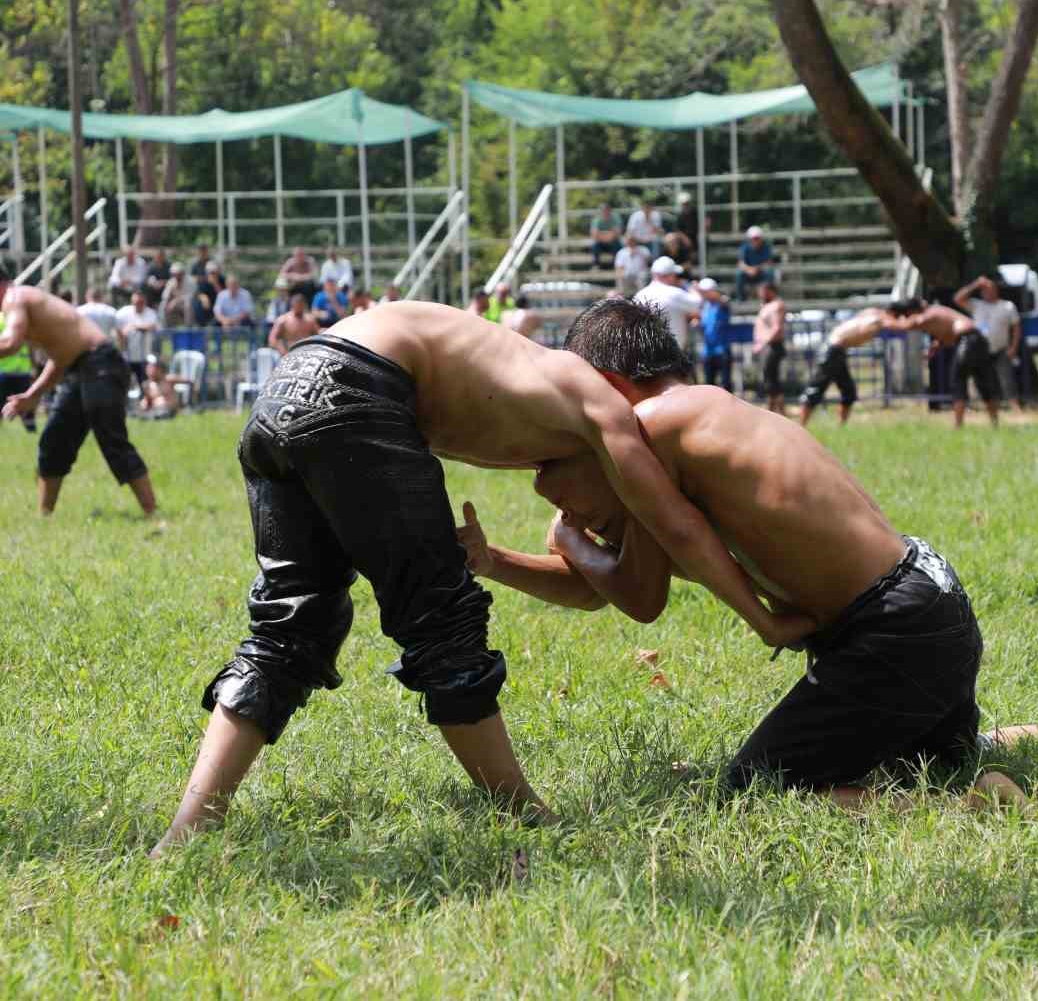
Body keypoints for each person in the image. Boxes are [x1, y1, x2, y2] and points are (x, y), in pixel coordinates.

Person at [149, 300, 813, 857]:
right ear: (616, 379)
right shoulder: (596, 402)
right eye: (654, 408)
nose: (653, 431)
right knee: (442, 620)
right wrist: (763, 618)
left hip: (284, 390)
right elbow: (678, 528)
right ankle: (524, 813)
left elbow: (621, 588)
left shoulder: (523, 378)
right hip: (356, 385)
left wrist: (499, 559)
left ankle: (187, 830)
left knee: (293, 625)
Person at [456, 297, 1038, 808]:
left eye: (575, 403)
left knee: (758, 790)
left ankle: (964, 807)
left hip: (890, 630)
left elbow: (638, 597)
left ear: (608, 388)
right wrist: (494, 562)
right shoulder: (709, 419)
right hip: (929, 604)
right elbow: (601, 585)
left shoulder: (655, 430)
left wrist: (567, 538)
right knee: (935, 754)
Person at [0, 259, 157, 518]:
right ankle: (44, 518)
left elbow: (10, 343)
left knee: (111, 438)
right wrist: (32, 395)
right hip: (81, 368)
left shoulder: (16, 298)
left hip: (101, 364)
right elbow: (60, 358)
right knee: (54, 441)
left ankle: (152, 513)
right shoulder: (27, 305)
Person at [799, 303, 919, 426]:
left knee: (848, 391)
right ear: (895, 314)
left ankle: (841, 426)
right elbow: (902, 326)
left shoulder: (872, 311)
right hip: (833, 351)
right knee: (815, 389)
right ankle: (801, 425)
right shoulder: (882, 318)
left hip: (836, 350)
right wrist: (917, 317)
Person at [908, 299, 1000, 427]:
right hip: (979, 340)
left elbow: (918, 322)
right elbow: (948, 334)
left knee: (959, 382)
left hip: (967, 341)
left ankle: (958, 425)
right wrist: (938, 343)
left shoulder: (930, 312)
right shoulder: (940, 311)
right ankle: (995, 423)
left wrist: (892, 323)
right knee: (983, 383)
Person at [954, 274, 1022, 406]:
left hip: (1000, 348)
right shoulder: (976, 305)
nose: (986, 292)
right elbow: (957, 299)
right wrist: (975, 284)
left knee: (1007, 378)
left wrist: (1013, 347)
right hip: (979, 350)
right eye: (983, 289)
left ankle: (1014, 405)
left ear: (996, 290)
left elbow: (1016, 328)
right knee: (980, 379)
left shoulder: (1008, 306)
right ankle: (984, 404)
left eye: (989, 289)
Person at [0, 310, 38, 433]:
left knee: (25, 408)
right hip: (6, 372)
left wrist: (33, 367)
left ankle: (32, 434)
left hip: (16, 372)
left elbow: (31, 346)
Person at [633, 256, 700, 354]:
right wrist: (692, 288)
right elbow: (699, 304)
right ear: (670, 275)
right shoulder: (676, 293)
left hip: (646, 353)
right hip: (673, 353)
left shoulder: (639, 295)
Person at [752, 281, 788, 414]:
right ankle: (772, 411)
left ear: (770, 291)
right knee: (770, 379)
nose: (760, 294)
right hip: (767, 347)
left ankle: (780, 412)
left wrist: (762, 344)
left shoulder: (776, 305)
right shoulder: (766, 305)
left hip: (772, 347)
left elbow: (776, 328)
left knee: (772, 381)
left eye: (762, 291)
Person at [696, 277, 734, 390]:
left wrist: (714, 294)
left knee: (726, 384)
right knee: (709, 385)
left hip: (722, 350)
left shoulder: (721, 304)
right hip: (708, 352)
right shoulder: (705, 306)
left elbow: (725, 301)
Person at [116, 289, 160, 385]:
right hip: (127, 356)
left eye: (141, 303)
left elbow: (153, 326)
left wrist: (135, 327)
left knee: (144, 384)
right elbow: (117, 329)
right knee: (124, 384)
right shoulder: (123, 313)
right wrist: (122, 334)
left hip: (144, 357)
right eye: (136, 303)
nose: (138, 305)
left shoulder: (150, 313)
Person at [268, 290, 320, 354]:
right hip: (289, 352)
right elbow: (272, 339)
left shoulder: (310, 320)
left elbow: (319, 337)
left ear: (304, 305)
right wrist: (282, 349)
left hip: (307, 353)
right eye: (297, 305)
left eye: (301, 305)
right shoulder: (283, 320)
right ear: (292, 304)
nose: (299, 307)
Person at [735, 226, 776, 301]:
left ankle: (768, 297)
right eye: (753, 239)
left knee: (770, 273)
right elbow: (741, 263)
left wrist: (756, 269)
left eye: (757, 238)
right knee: (739, 274)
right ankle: (741, 298)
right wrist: (749, 269)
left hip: (761, 272)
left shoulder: (766, 247)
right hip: (748, 273)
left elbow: (769, 262)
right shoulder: (745, 247)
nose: (755, 241)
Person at [590, 202, 621, 269]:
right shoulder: (597, 219)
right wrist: (609, 234)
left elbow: (617, 233)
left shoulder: (615, 218)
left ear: (610, 210)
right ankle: (596, 265)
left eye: (607, 210)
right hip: (601, 242)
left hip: (612, 242)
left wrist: (602, 234)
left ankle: (615, 265)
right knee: (595, 245)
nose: (605, 212)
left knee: (618, 245)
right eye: (603, 210)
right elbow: (594, 234)